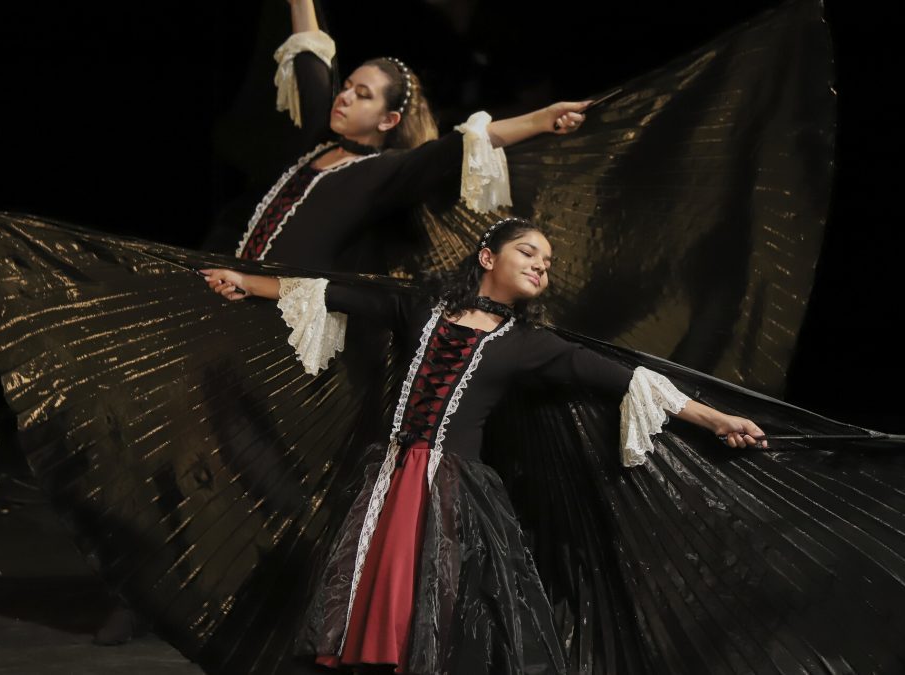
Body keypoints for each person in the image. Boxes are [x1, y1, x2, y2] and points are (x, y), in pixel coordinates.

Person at [201, 217, 765, 672]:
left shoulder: (528, 345)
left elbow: (625, 378)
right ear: (488, 257)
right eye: (528, 252)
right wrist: (244, 281)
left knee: (440, 611)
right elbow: (333, 293)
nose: (541, 265)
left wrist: (714, 418)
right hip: (389, 479)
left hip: (451, 490)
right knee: (371, 605)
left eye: (547, 262)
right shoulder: (420, 307)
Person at [235, 0, 591, 273]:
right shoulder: (320, 141)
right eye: (346, 87)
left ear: (389, 120)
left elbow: (460, 145)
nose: (344, 97)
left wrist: (542, 119)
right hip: (235, 287)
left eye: (363, 94)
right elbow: (310, 56)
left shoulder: (385, 172)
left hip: (282, 324)